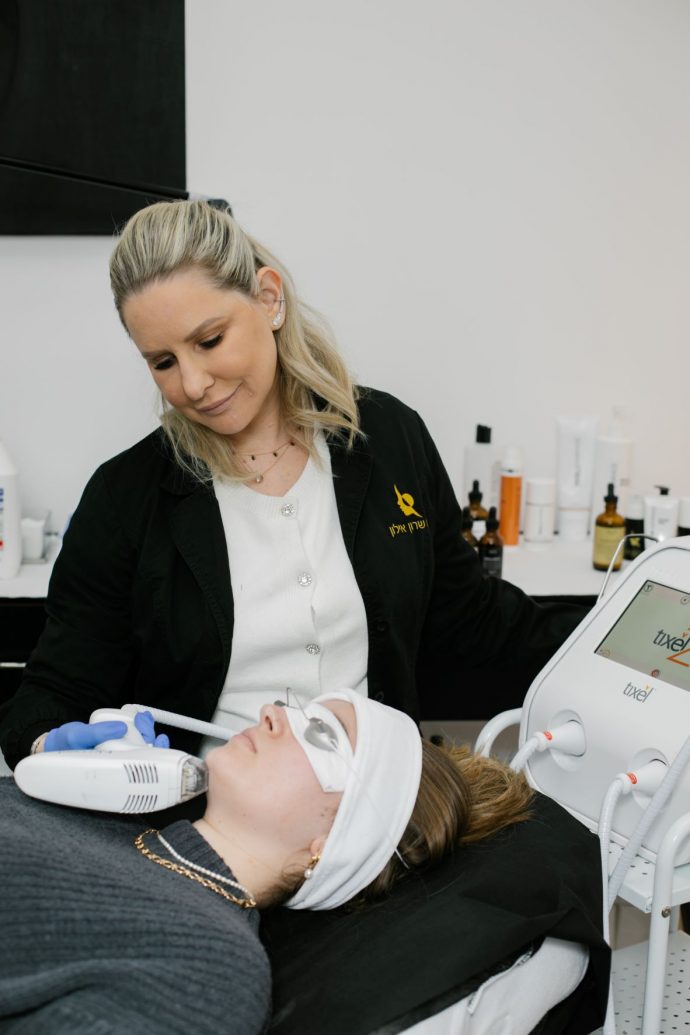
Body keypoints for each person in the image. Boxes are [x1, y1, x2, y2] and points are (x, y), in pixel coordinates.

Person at [0, 200, 586, 769]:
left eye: (209, 341)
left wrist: (615, 646)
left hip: (378, 806)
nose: (193, 384)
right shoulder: (125, 498)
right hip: (211, 817)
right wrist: (48, 743)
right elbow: (51, 692)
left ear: (268, 298)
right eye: (163, 362)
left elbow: (473, 620)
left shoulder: (388, 438)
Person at [0, 691, 544, 1034]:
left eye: (323, 735)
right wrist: (51, 771)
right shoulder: (118, 824)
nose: (271, 713)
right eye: (296, 708)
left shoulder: (212, 969)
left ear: (332, 843)